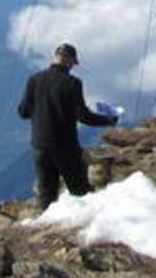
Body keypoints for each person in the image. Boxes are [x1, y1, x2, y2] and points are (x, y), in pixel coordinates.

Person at [15, 42, 117, 210]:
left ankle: (45, 223)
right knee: (81, 192)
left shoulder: (34, 80)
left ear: (55, 57)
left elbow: (23, 112)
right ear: (70, 61)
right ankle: (86, 222)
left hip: (40, 146)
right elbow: (83, 116)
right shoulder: (72, 83)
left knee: (46, 194)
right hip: (66, 147)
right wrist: (109, 120)